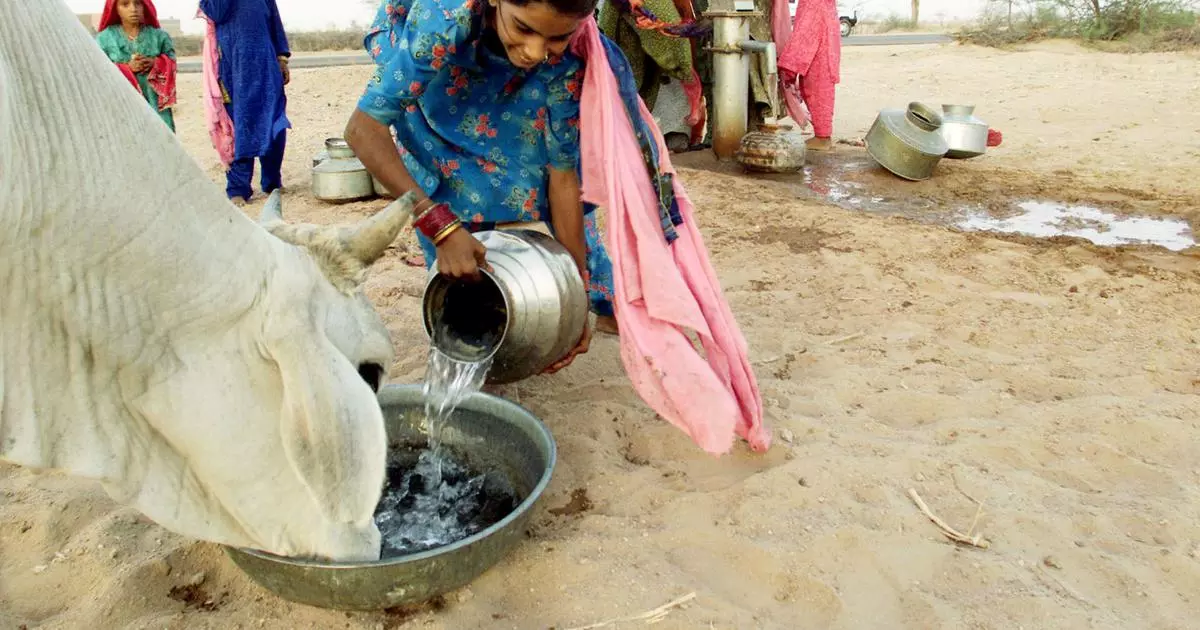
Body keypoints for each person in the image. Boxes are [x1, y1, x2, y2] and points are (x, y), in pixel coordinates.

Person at [345, 0, 621, 372]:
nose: (535, 52)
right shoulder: (442, 17)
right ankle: (464, 322)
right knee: (446, 185)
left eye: (556, 36)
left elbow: (562, 177)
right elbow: (363, 129)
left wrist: (574, 299)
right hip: (439, 68)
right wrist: (439, 225)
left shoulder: (568, 57)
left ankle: (607, 304)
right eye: (524, 28)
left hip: (506, 75)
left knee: (533, 169)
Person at [197, 0, 292, 204]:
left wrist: (282, 59)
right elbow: (217, 12)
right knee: (239, 126)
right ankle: (238, 188)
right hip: (233, 70)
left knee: (275, 123)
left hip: (266, 65)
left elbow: (275, 22)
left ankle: (272, 181)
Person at [94, 0, 177, 132]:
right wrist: (127, 68)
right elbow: (96, 70)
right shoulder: (104, 38)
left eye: (138, 3)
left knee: (162, 138)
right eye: (125, 4)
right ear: (115, 9)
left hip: (155, 101)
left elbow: (172, 62)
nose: (133, 9)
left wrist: (155, 62)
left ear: (145, 6)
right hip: (121, 101)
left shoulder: (159, 36)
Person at [779, 0, 841, 151]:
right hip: (826, 46)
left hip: (818, 50)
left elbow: (804, 31)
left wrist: (789, 65)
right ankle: (822, 135)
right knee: (820, 89)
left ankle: (822, 138)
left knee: (816, 89)